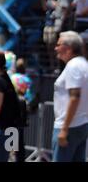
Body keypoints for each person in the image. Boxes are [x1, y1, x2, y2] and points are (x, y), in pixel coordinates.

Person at [53, 31, 88, 162]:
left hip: (69, 126)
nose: (55, 48)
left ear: (69, 48)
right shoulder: (83, 64)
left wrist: (64, 129)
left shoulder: (74, 66)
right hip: (81, 124)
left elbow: (75, 97)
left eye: (58, 44)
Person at [41, 0, 59, 70]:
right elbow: (44, 8)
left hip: (53, 26)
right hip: (47, 25)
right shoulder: (48, 0)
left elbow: (57, 6)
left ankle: (57, 66)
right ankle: (52, 66)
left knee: (54, 46)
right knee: (49, 48)